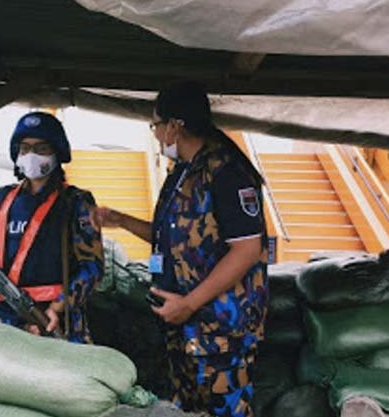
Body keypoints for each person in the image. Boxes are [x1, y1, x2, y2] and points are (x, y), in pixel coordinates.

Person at [95, 82, 268, 416]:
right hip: (184, 329)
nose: (157, 135)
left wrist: (188, 303)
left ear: (174, 126)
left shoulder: (227, 172)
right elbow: (171, 240)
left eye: (156, 126)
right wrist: (122, 221)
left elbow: (247, 250)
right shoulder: (183, 173)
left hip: (219, 331)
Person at [0, 111, 104, 343]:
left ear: (57, 152)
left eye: (41, 148)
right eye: (24, 148)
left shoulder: (76, 202)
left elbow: (93, 267)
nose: (31, 155)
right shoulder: (2, 198)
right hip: (0, 321)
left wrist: (58, 307)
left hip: (53, 321)